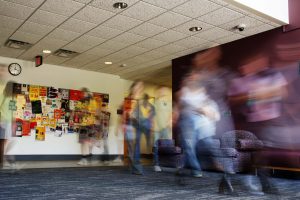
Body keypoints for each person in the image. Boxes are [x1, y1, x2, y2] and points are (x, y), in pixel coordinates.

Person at [228, 54, 287, 195]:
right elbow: (234, 99)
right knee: (257, 154)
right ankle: (263, 184)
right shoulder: (243, 80)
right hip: (254, 123)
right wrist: (253, 95)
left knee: (260, 154)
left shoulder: (272, 74)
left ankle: (253, 181)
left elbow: (282, 91)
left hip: (271, 121)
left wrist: (261, 94)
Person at [177, 73, 220, 177]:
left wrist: (208, 112)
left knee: (199, 146)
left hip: (201, 126)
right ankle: (195, 170)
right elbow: (182, 104)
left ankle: (183, 167)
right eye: (190, 78)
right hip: (187, 122)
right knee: (189, 147)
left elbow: (216, 116)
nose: (192, 79)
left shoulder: (209, 101)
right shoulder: (185, 93)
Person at [122, 81, 144, 174]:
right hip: (130, 125)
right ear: (133, 88)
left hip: (138, 125)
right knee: (133, 147)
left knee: (134, 147)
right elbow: (126, 114)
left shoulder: (140, 101)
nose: (139, 88)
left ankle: (132, 165)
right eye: (137, 86)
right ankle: (136, 167)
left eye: (141, 87)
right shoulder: (129, 100)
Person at [133, 93, 155, 175]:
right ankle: (152, 160)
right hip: (145, 126)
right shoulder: (151, 107)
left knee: (138, 144)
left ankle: (137, 165)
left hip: (142, 126)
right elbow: (151, 118)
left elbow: (134, 116)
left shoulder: (141, 106)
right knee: (146, 144)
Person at [153, 86, 172, 172]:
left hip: (166, 128)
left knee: (167, 146)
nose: (162, 92)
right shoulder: (156, 102)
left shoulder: (170, 102)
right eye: (160, 91)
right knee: (156, 147)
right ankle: (156, 164)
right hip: (157, 128)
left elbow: (171, 113)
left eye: (164, 90)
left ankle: (166, 163)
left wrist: (169, 121)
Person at [77, 88, 95, 165]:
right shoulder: (80, 102)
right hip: (83, 124)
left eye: (84, 93)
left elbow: (94, 112)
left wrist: (86, 111)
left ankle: (85, 158)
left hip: (90, 124)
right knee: (82, 142)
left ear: (87, 93)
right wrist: (81, 112)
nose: (83, 94)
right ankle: (84, 158)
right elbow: (78, 113)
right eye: (82, 93)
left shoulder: (92, 101)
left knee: (87, 142)